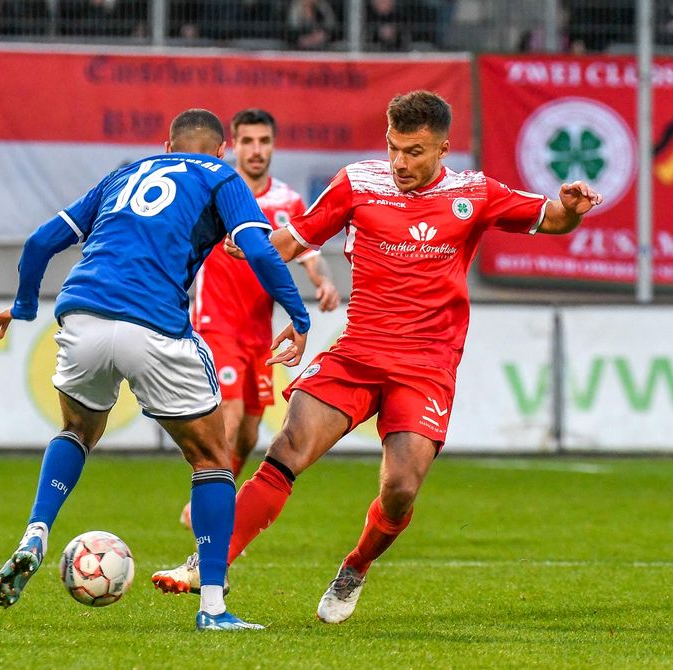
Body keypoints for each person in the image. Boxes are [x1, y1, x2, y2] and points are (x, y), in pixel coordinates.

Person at [151, 91, 603, 623]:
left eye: (414, 152)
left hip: (426, 367)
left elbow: (550, 218)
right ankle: (209, 565)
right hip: (358, 353)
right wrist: (251, 245)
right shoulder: (357, 184)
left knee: (400, 489)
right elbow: (294, 240)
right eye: (393, 147)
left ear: (442, 149)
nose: (399, 162)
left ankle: (356, 565)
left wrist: (570, 209)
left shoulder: (474, 193)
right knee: (287, 448)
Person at [0, 108, 311, 631]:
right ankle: (213, 607)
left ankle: (36, 532)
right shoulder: (220, 176)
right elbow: (259, 250)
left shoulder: (124, 175)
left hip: (82, 315)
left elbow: (39, 243)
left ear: (167, 147)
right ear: (222, 150)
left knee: (76, 431)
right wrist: (299, 315)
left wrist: (23, 307)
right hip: (153, 325)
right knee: (213, 459)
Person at [177, 108, 340, 529]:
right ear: (233, 146)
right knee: (229, 419)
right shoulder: (217, 191)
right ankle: (209, 513)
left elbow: (309, 255)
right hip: (216, 326)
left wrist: (323, 282)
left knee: (249, 434)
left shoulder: (287, 201)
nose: (255, 150)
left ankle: (213, 497)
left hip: (258, 335)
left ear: (272, 146)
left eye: (263, 141)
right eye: (247, 141)